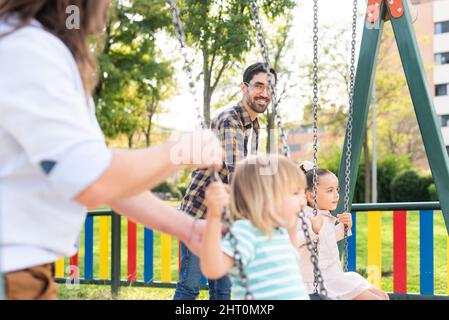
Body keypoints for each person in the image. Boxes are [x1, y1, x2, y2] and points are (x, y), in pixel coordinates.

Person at [0, 0, 222, 300]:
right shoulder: (30, 48)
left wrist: (189, 229)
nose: (108, 8)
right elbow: (94, 180)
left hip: (25, 272)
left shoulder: (34, 47)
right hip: (12, 272)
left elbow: (104, 180)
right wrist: (179, 151)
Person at [173, 62, 277, 300]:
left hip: (226, 218)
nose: (265, 93)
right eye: (259, 85)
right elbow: (236, 172)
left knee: (223, 290)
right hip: (200, 216)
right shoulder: (230, 119)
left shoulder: (253, 125)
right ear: (244, 87)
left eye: (270, 87)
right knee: (190, 287)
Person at [200, 154, 310, 300]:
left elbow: (291, 255)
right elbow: (213, 269)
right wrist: (213, 217)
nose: (303, 199)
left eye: (303, 192)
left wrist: (294, 212)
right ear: (266, 197)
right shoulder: (246, 232)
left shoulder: (279, 231)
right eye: (296, 193)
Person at [296, 162, 390, 300]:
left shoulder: (324, 215)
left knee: (384, 296)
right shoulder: (304, 217)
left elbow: (327, 239)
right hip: (319, 283)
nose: (336, 195)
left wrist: (344, 227)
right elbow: (293, 241)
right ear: (311, 196)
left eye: (337, 189)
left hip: (335, 277)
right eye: (329, 190)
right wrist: (313, 230)